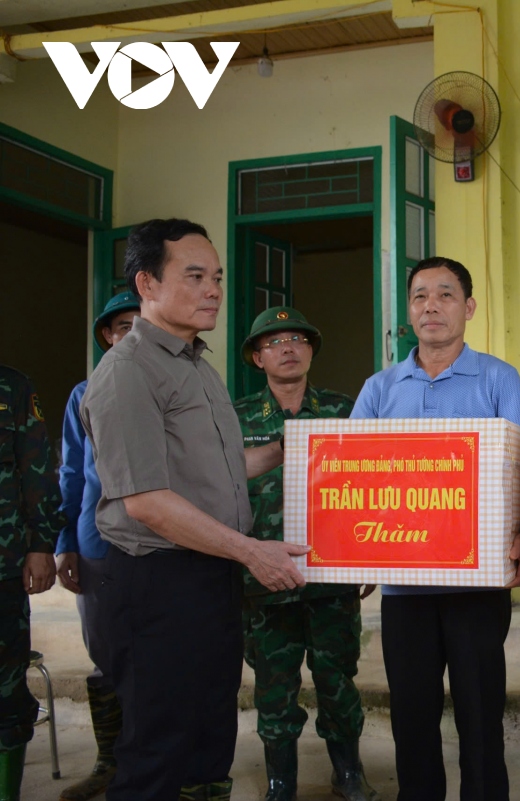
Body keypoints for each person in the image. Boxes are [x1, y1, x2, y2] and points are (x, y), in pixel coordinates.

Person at [80, 218, 309, 801]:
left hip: (209, 575)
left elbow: (226, 470)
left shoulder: (196, 368)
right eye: (196, 276)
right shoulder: (128, 372)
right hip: (157, 583)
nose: (214, 290)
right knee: (157, 750)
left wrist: (296, 449)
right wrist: (251, 551)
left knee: (207, 741)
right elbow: (148, 501)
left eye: (218, 277)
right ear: (147, 284)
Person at [351, 256, 520, 801]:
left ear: (469, 307)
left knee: (481, 718)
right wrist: (354, 555)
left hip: (478, 587)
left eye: (445, 295)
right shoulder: (381, 388)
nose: (430, 306)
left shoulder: (498, 378)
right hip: (404, 590)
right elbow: (350, 471)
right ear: (409, 310)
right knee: (412, 718)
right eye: (419, 296)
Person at [233, 306, 378, 801]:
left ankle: (349, 772)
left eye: (297, 338)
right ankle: (280, 783)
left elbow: (371, 486)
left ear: (312, 349)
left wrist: (369, 556)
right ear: (257, 357)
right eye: (274, 342)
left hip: (332, 577)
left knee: (338, 677)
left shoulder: (346, 410)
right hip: (265, 580)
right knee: (274, 686)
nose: (287, 348)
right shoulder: (235, 417)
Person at [55, 291, 139, 801]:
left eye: (140, 324)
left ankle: (152, 762)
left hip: (160, 545)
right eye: (121, 326)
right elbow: (70, 472)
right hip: (97, 546)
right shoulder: (83, 394)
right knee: (106, 657)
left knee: (154, 659)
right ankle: (111, 761)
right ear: (107, 335)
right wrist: (63, 542)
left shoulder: (171, 389)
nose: (131, 334)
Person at [0, 366, 62, 798]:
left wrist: (42, 544)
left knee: (6, 692)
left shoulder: (14, 387)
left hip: (2, 568)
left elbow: (37, 469)